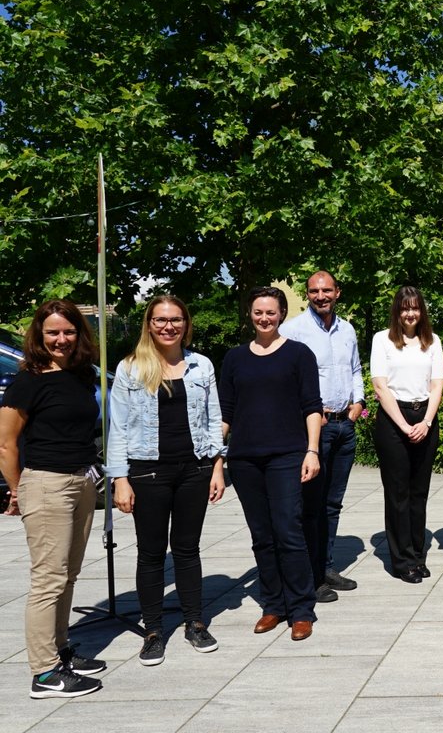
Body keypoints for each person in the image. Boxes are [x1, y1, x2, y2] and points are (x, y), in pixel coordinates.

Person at [107, 296, 226, 666]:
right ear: (149, 323)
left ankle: (194, 622)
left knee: (188, 549)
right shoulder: (131, 368)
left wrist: (218, 466)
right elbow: (118, 428)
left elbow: (213, 418)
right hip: (148, 472)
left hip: (194, 469)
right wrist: (120, 479)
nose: (168, 326)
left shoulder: (200, 365)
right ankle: (154, 630)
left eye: (176, 319)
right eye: (160, 320)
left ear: (185, 324)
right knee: (151, 552)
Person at [0, 300, 107, 698]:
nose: (61, 340)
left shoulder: (79, 376)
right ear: (39, 336)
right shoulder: (28, 380)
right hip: (46, 483)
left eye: (68, 331)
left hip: (81, 482)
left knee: (68, 575)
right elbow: (6, 444)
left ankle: (61, 650)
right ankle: (44, 673)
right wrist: (17, 490)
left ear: (79, 333)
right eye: (52, 333)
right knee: (48, 579)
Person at [220, 287, 323, 641]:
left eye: (271, 312)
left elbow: (312, 405)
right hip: (244, 458)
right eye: (258, 312)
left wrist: (312, 451)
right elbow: (226, 412)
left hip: (287, 455)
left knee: (288, 531)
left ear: (281, 314)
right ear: (249, 314)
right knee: (261, 536)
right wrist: (215, 458)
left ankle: (301, 609)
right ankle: (273, 605)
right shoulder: (234, 358)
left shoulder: (298, 354)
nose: (264, 318)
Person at [279, 270, 364, 601]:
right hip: (316, 428)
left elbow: (355, 370)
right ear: (308, 294)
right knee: (310, 505)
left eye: (326, 290)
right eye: (314, 291)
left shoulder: (347, 330)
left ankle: (325, 566)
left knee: (332, 504)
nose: (320, 296)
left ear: (337, 292)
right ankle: (309, 576)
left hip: (345, 425)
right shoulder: (293, 331)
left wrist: (358, 402)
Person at [370, 286, 443, 583]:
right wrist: (403, 425)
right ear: (396, 311)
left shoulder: (433, 342)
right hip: (393, 420)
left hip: (424, 416)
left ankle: (417, 555)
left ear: (421, 311)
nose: (409, 313)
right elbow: (379, 385)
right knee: (398, 494)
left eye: (414, 308)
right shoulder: (382, 340)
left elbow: (437, 384)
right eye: (404, 308)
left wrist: (426, 421)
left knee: (419, 493)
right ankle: (402, 561)